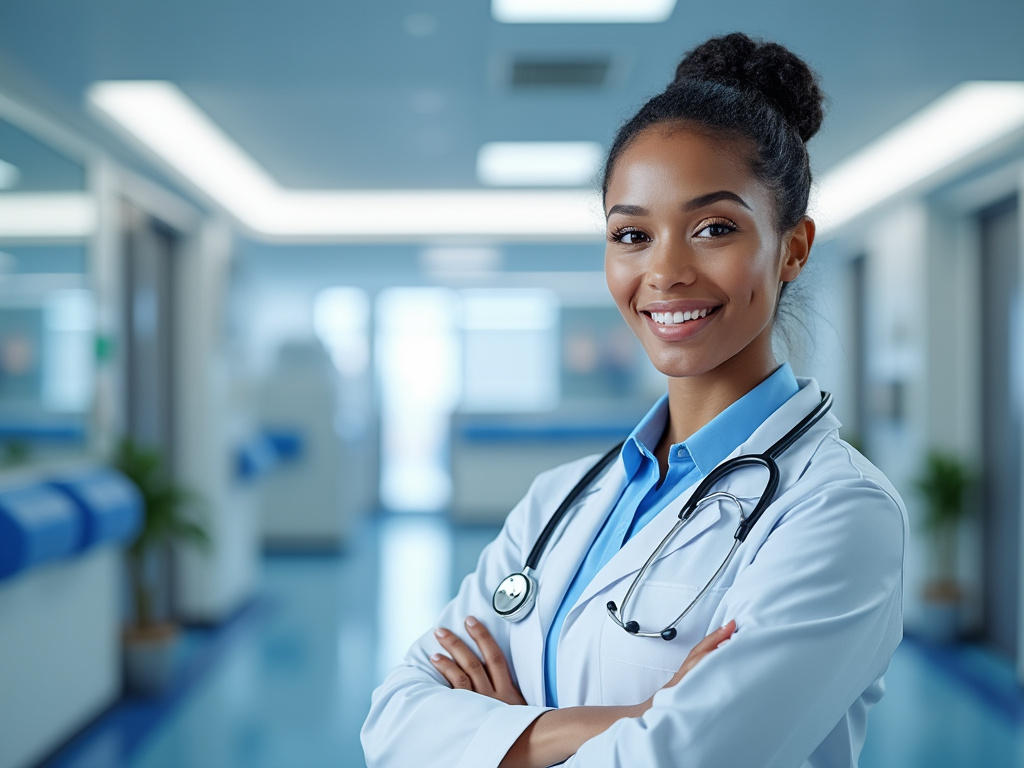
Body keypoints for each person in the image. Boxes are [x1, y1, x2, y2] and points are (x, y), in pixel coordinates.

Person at [362, 32, 906, 768]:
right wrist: (637, 716)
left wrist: (502, 735)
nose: (666, 271)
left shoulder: (840, 513)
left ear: (792, 248)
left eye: (714, 228)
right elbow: (394, 725)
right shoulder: (560, 501)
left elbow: (676, 761)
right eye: (632, 234)